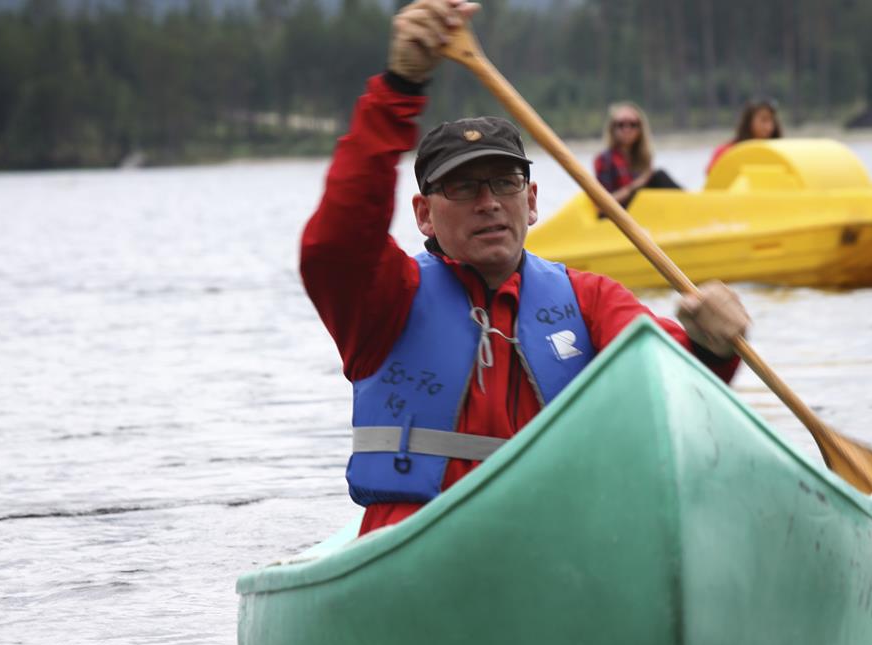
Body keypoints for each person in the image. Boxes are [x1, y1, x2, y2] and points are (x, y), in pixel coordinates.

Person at [300, 0, 752, 536]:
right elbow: (335, 242)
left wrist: (714, 348)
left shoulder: (591, 301)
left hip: (558, 541)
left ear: (531, 201)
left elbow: (673, 384)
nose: (488, 202)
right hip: (419, 543)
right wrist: (398, 89)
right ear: (423, 214)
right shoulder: (385, 301)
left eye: (505, 183)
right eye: (463, 187)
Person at [593, 101, 681, 208]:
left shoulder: (643, 158)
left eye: (632, 124)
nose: (627, 129)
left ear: (640, 129)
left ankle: (690, 206)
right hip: (619, 213)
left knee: (659, 176)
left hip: (644, 209)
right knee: (658, 176)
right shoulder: (604, 160)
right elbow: (601, 204)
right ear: (612, 129)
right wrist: (634, 187)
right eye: (621, 125)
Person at [706, 99, 783, 175]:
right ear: (749, 122)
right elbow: (712, 178)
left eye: (772, 120)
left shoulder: (780, 152)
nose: (769, 127)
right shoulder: (726, 152)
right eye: (763, 120)